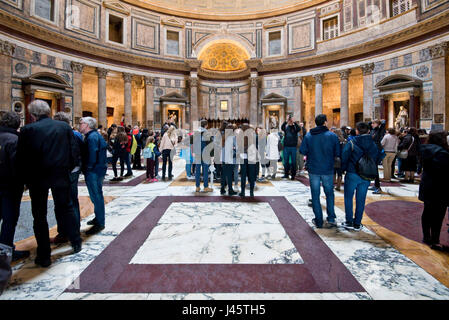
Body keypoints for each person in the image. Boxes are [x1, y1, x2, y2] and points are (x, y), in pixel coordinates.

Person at [16, 100, 82, 268]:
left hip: (37, 177)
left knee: (39, 215)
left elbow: (22, 157)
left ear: (32, 114)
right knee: (67, 208)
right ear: (49, 111)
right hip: (61, 174)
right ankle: (76, 241)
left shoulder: (28, 130)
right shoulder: (64, 127)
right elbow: (73, 150)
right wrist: (71, 168)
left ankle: (44, 254)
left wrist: (24, 179)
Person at [300, 114, 340, 228]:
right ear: (325, 123)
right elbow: (337, 152)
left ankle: (318, 220)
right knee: (329, 193)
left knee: (315, 194)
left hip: (314, 169)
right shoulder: (332, 136)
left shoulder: (309, 135)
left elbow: (303, 150)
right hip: (327, 168)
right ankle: (331, 218)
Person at [0, 112, 30, 262]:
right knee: (9, 220)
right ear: (18, 124)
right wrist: (24, 183)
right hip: (10, 187)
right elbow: (17, 166)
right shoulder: (15, 140)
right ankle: (6, 253)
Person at [341, 122, 380, 231]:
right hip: (366, 175)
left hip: (352, 173)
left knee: (348, 198)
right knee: (361, 199)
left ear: (357, 131)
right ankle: (357, 223)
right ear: (368, 131)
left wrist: (343, 169)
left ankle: (349, 221)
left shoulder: (352, 142)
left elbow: (344, 157)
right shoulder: (373, 144)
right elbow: (378, 157)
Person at [51, 112, 83, 245]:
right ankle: (74, 231)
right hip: (74, 170)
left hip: (61, 171)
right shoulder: (76, 134)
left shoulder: (55, 134)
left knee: (60, 203)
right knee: (72, 202)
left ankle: (64, 232)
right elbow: (82, 150)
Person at [419, 130, 449, 251]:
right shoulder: (443, 153)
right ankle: (435, 240)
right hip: (441, 186)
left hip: (427, 184)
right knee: (439, 214)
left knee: (427, 211)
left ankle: (426, 236)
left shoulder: (425, 150)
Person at [79, 117, 108, 235]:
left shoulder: (92, 137)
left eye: (81, 123)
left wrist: (88, 168)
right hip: (98, 169)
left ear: (87, 125)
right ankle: (98, 218)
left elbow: (92, 154)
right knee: (96, 196)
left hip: (94, 171)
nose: (79, 125)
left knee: (96, 196)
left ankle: (100, 223)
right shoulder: (94, 135)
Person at [193, 120, 213, 193]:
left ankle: (197, 187)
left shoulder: (196, 132)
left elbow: (193, 142)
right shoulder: (207, 132)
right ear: (206, 125)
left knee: (197, 170)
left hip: (198, 152)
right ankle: (205, 187)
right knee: (205, 170)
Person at [238, 124, 257, 197]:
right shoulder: (252, 136)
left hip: (243, 157)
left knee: (243, 175)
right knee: (251, 175)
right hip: (251, 157)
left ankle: (243, 192)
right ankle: (251, 192)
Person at [281, 114, 301, 180]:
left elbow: (299, 129)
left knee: (293, 162)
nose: (290, 121)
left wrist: (294, 122)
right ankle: (286, 174)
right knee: (286, 161)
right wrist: (286, 121)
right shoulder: (286, 127)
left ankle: (293, 175)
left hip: (293, 147)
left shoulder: (295, 127)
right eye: (289, 120)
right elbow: (282, 127)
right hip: (286, 147)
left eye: (290, 120)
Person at [369, 119, 386, 194]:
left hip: (376, 150)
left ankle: (378, 187)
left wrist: (381, 123)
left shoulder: (379, 130)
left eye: (373, 123)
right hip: (372, 149)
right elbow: (369, 124)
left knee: (375, 169)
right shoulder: (373, 130)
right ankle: (375, 185)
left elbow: (382, 126)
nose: (372, 124)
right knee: (373, 169)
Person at [220, 124, 237, 196]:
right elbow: (237, 147)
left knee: (224, 175)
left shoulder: (223, 137)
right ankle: (230, 190)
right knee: (230, 175)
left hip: (223, 159)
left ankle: (222, 189)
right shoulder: (233, 137)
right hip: (229, 159)